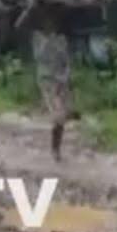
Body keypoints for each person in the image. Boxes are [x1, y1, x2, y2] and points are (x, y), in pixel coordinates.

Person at [30, 10, 74, 161]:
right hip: (47, 80)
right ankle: (55, 150)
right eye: (47, 22)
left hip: (61, 81)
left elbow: (66, 61)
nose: (50, 25)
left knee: (62, 116)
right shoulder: (38, 38)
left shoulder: (62, 40)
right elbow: (39, 56)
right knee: (57, 115)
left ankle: (56, 148)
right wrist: (48, 41)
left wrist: (66, 77)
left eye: (52, 22)